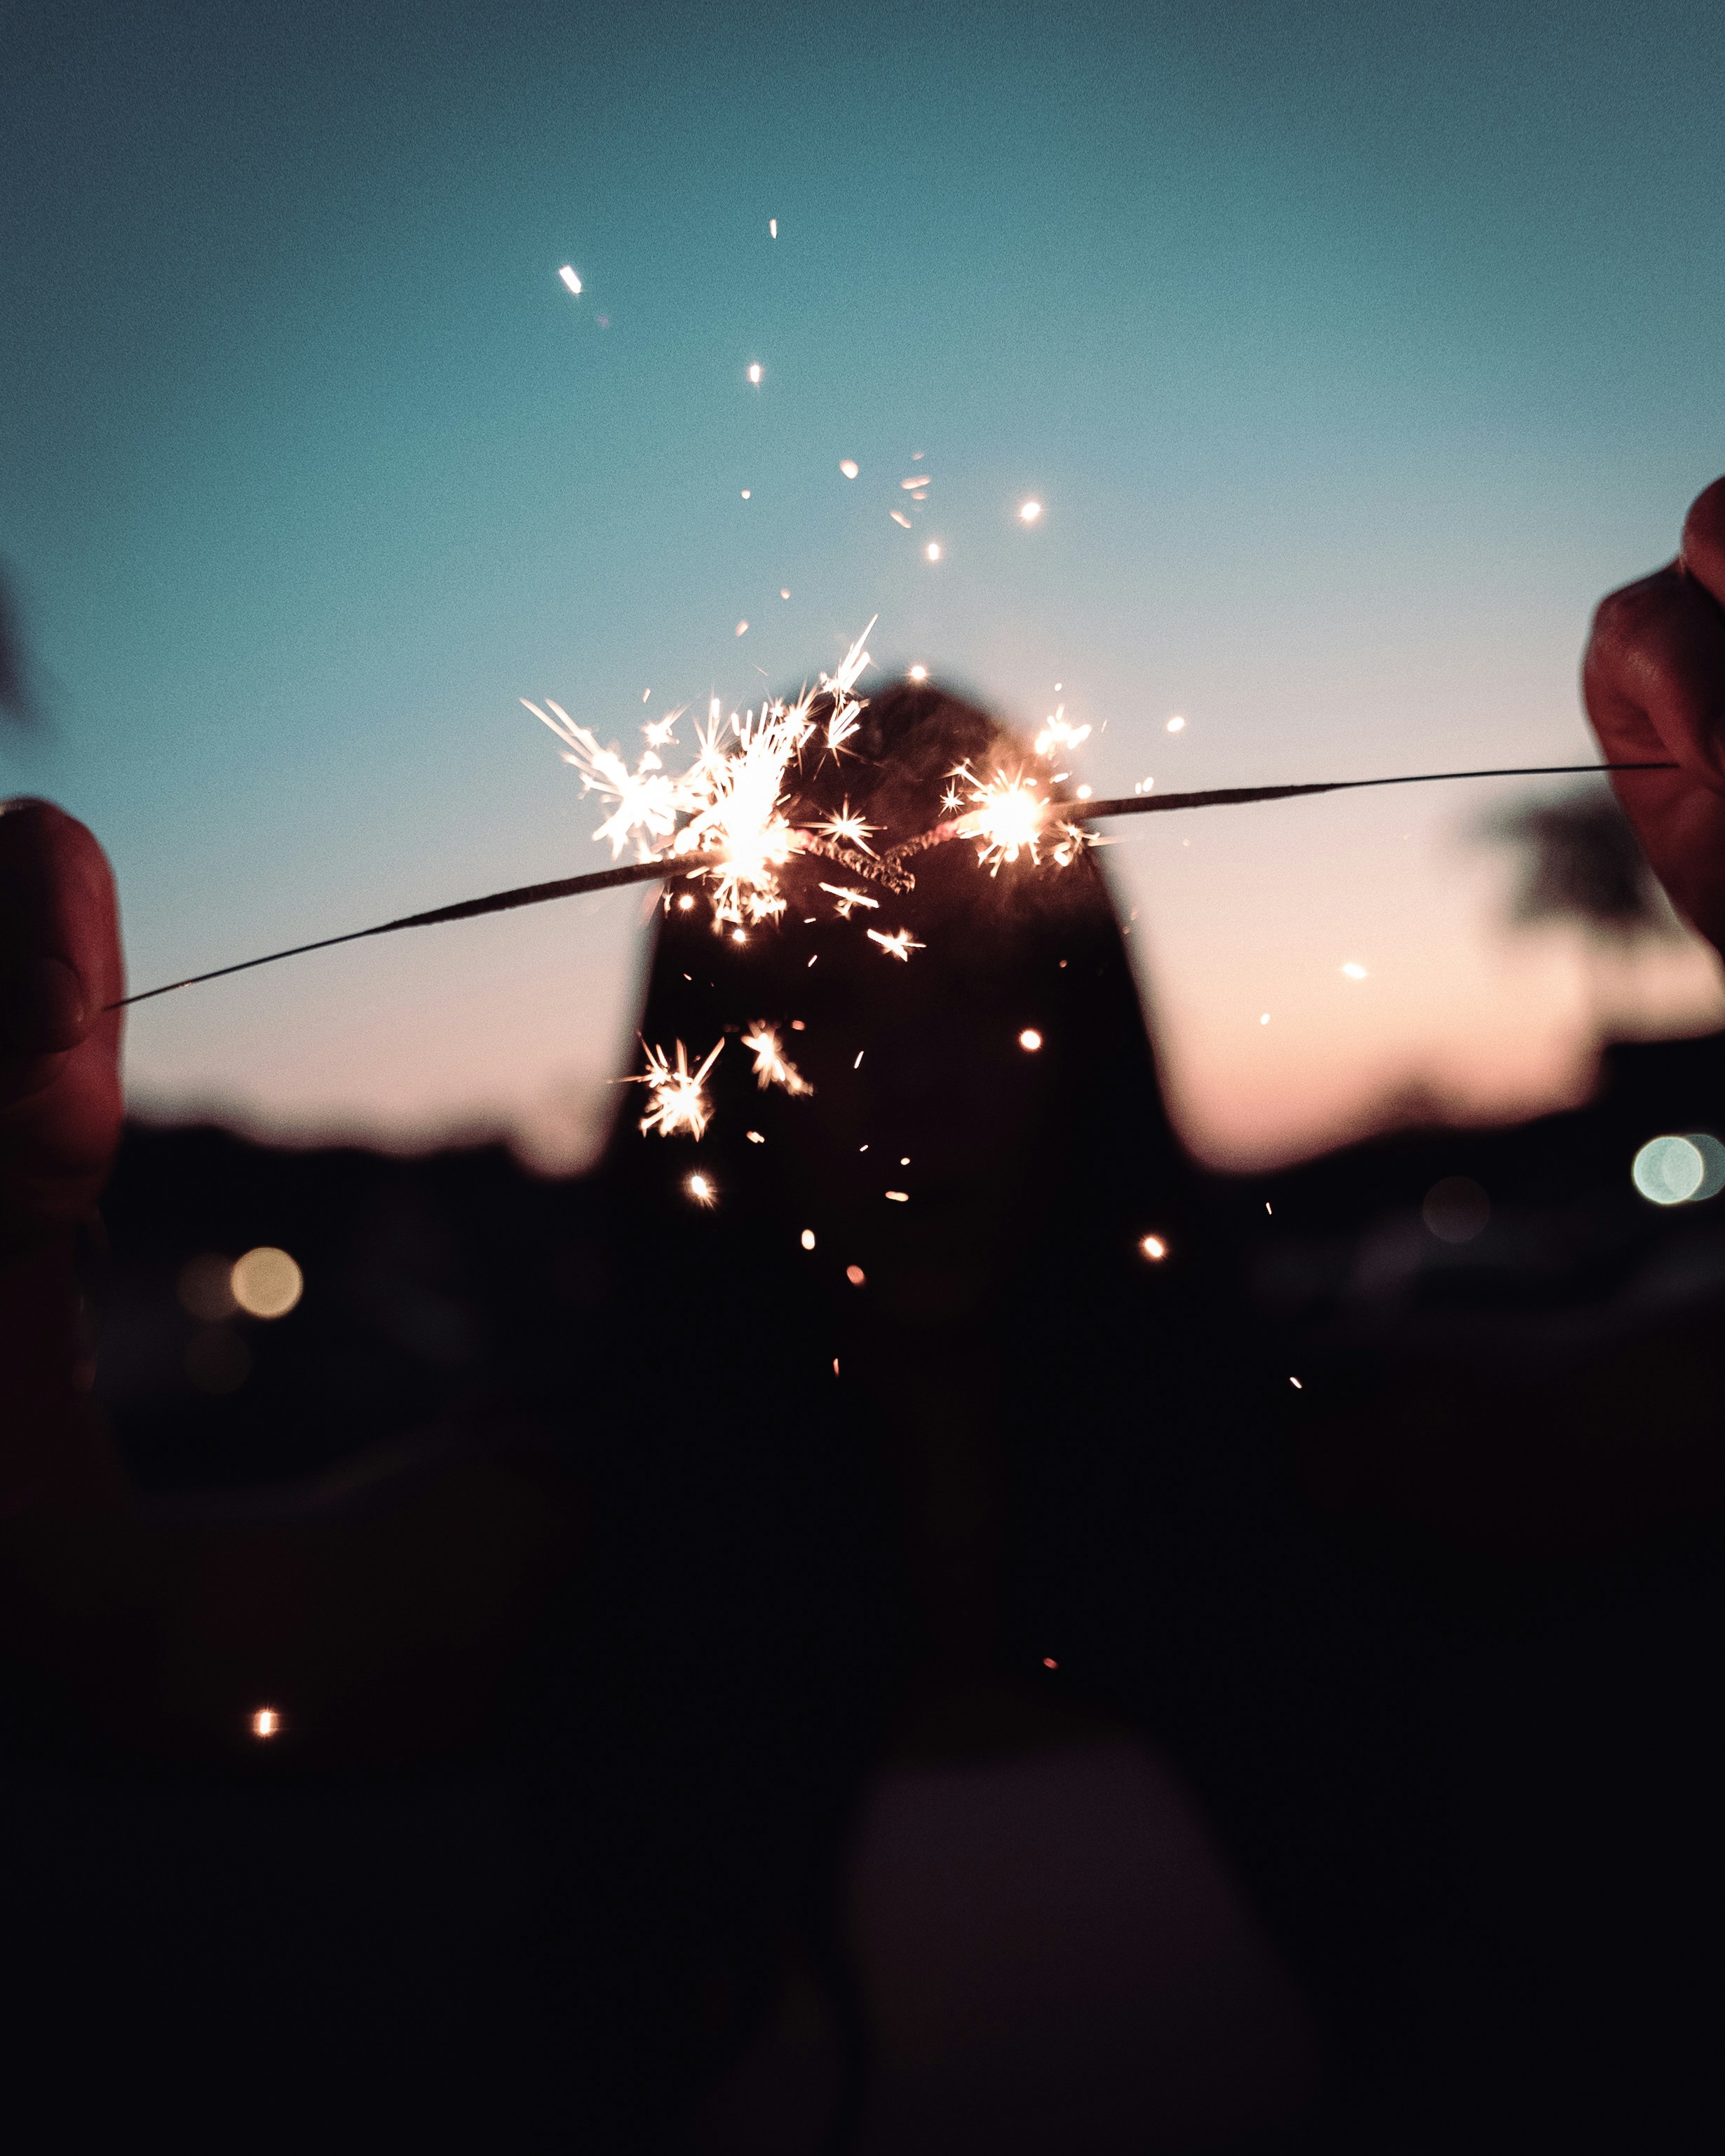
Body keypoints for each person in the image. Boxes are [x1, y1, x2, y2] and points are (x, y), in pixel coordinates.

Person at [4, 473, 1725, 2148]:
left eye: (982, 978)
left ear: (1087, 1031)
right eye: (820, 992)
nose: (912, 1081)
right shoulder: (580, 1541)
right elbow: (101, 1647)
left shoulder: (1325, 1463)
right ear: (714, 1054)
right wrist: (20, 1230)